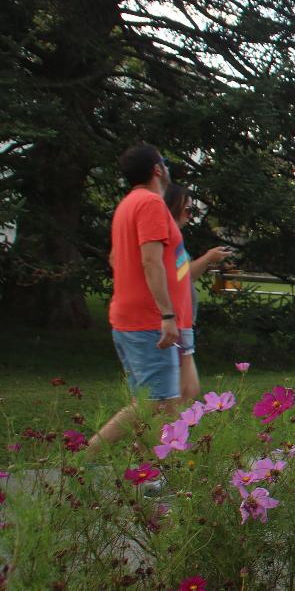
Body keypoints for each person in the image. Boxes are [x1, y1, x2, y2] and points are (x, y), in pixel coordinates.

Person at [88, 145, 191, 453]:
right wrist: (167, 315)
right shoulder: (150, 203)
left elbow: (114, 258)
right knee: (157, 403)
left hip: (128, 318)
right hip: (148, 321)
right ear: (158, 169)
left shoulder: (127, 205)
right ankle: (85, 457)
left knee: (160, 404)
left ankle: (146, 472)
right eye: (166, 163)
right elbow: (151, 261)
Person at [163, 183, 233, 404]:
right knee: (168, 396)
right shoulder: (165, 237)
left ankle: (159, 435)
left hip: (183, 323)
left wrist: (208, 259)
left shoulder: (175, 239)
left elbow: (186, 276)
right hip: (174, 323)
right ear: (174, 207)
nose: (190, 216)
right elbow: (177, 277)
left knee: (188, 390)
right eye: (188, 210)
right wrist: (208, 258)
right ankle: (155, 436)